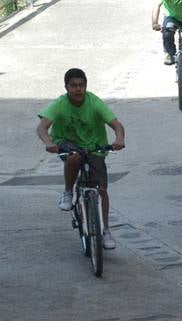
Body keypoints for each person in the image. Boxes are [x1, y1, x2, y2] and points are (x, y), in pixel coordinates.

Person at [36, 68, 126, 249]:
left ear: (86, 87)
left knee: (101, 189)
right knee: (74, 157)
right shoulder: (60, 104)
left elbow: (116, 124)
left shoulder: (94, 102)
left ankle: (105, 230)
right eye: (73, 86)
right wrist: (48, 143)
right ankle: (68, 192)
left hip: (94, 146)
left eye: (81, 86)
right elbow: (42, 127)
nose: (78, 89)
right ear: (66, 87)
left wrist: (119, 139)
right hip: (67, 142)